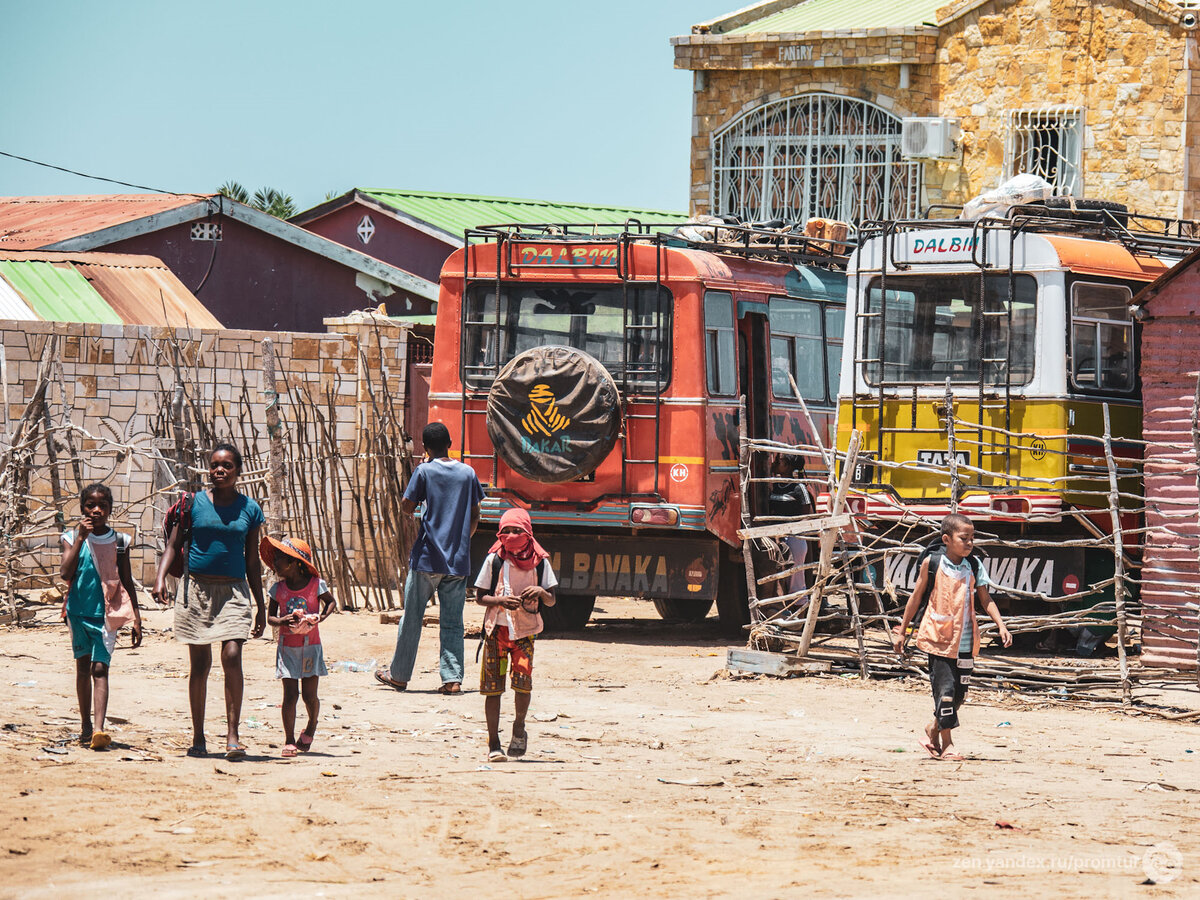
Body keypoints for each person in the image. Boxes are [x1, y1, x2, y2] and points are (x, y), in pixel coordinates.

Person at [153, 443, 266, 760]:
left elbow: (252, 560)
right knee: (200, 666)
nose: (220, 470)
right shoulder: (193, 504)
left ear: (238, 471)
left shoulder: (250, 509)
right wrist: (160, 578)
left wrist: (260, 605)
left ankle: (233, 735)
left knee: (232, 655)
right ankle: (199, 737)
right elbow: (173, 546)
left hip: (233, 592)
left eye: (227, 465)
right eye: (215, 465)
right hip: (196, 592)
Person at [892, 513, 1013, 761]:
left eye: (972, 538)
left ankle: (931, 729)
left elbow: (985, 599)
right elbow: (916, 597)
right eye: (964, 538)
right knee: (945, 692)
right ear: (946, 539)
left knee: (959, 695)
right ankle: (947, 744)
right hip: (939, 639)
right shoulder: (933, 563)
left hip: (965, 643)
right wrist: (902, 631)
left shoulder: (974, 566)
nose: (969, 543)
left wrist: (1001, 624)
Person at [376, 422, 484, 694]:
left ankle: (399, 675)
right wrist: (461, 542)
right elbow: (475, 516)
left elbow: (405, 507)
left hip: (426, 559)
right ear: (450, 442)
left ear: (425, 448)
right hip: (457, 561)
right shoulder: (468, 473)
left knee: (412, 617)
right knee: (452, 621)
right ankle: (452, 679)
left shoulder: (424, 470)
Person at [60, 483, 141, 750]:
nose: (96, 510)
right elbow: (65, 573)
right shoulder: (71, 538)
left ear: (110, 509)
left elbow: (127, 580)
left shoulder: (119, 542)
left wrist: (136, 618)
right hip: (78, 613)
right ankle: (85, 725)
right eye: (90, 505)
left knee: (100, 668)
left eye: (102, 505)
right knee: (82, 667)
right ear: (82, 508)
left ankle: (98, 729)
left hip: (108, 615)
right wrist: (81, 538)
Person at [472, 508, 557, 761]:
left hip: (525, 634)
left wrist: (540, 592)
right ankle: (494, 744)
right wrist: (500, 600)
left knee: (522, 685)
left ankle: (519, 728)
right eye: (506, 531)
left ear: (528, 533)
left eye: (517, 531)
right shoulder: (494, 559)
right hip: (495, 632)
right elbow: (479, 597)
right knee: (492, 689)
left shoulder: (540, 562)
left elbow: (552, 600)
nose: (511, 535)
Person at [261, 535, 336, 758]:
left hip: (311, 647)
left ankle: (311, 726)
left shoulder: (316, 585)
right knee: (290, 695)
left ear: (295, 562)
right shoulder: (278, 590)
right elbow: (271, 618)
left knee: (310, 696)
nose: (275, 564)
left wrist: (320, 617)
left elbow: (331, 601)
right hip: (287, 649)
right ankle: (289, 739)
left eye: (279, 559)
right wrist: (283, 621)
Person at [768, 454, 814, 599]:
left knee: (795, 580)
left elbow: (805, 512)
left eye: (779, 462)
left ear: (787, 467)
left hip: (794, 538)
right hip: (778, 537)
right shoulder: (775, 486)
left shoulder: (799, 488)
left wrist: (792, 528)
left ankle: (800, 616)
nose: (775, 464)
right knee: (781, 577)